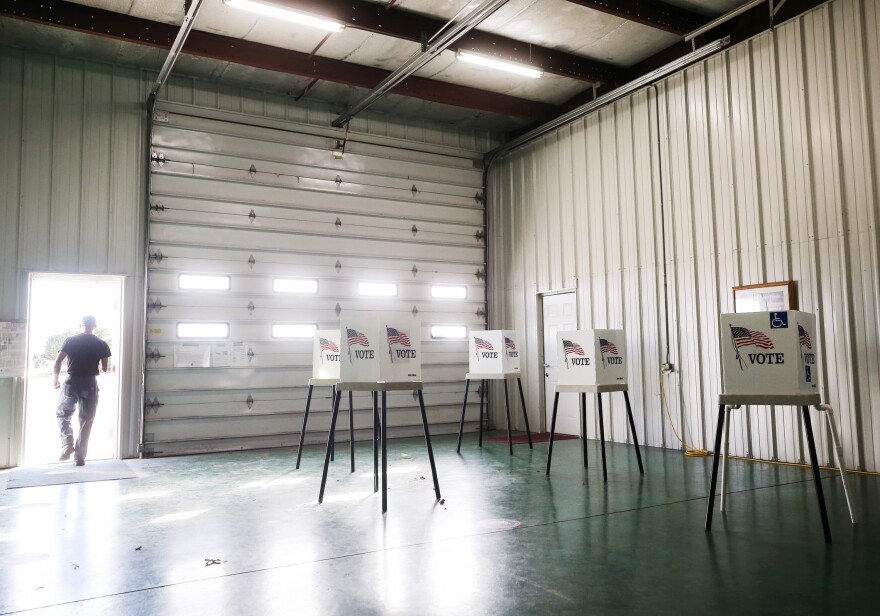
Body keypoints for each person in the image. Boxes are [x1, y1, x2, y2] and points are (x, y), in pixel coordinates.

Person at [53, 315, 111, 466]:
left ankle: (67, 444)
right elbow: (104, 368)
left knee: (63, 415)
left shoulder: (70, 340)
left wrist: (55, 380)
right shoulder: (102, 344)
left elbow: (58, 362)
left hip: (71, 382)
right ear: (95, 326)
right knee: (86, 420)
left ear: (81, 325)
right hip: (90, 383)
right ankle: (80, 458)